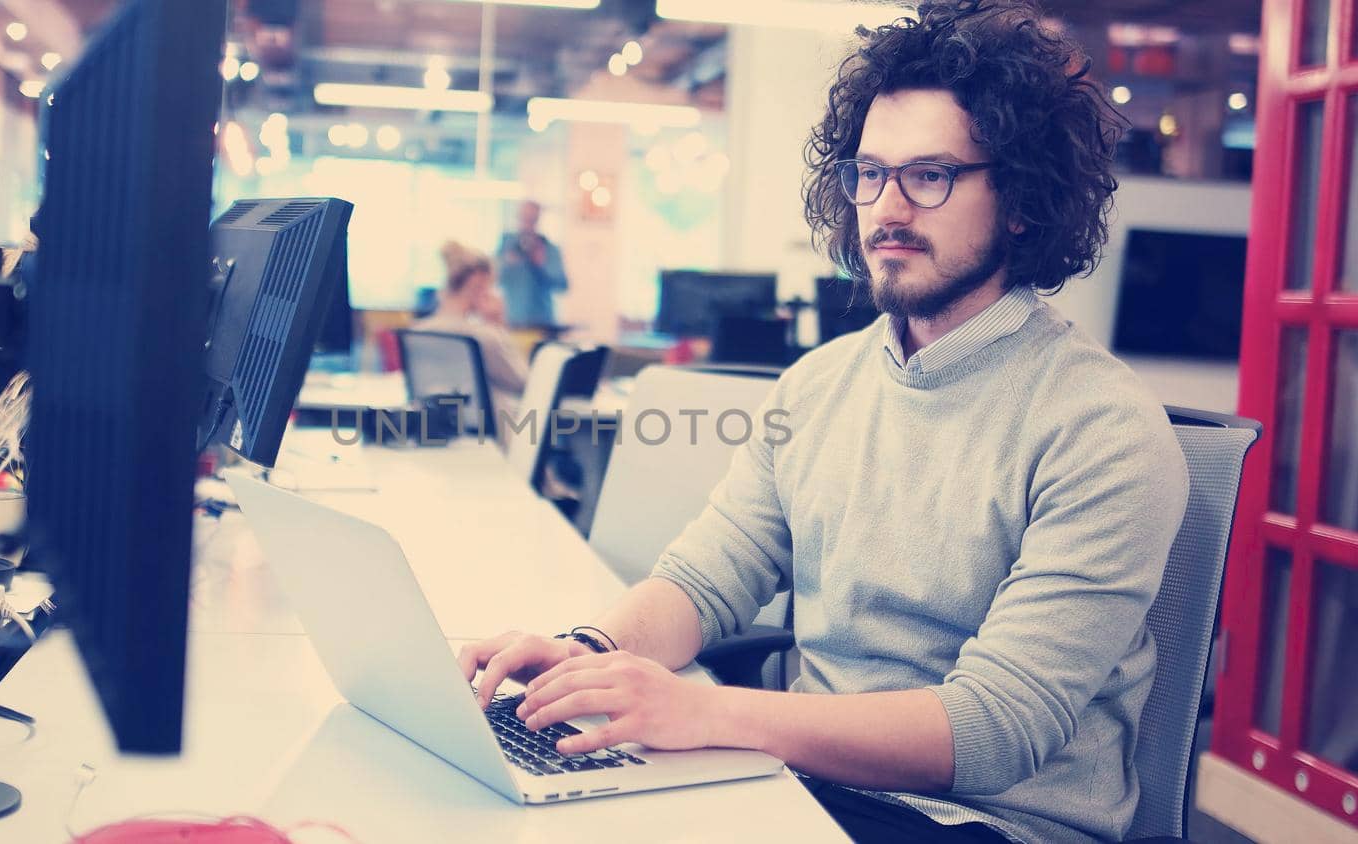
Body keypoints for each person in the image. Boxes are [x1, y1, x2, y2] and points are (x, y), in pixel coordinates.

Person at [457, 2, 1188, 842]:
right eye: (869, 174)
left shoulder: (1103, 428)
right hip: (804, 786)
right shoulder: (817, 386)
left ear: (1022, 198)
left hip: (984, 822)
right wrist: (589, 649)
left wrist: (704, 712)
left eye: (930, 176)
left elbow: (992, 731)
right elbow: (707, 577)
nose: (887, 209)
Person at [413, 240, 529, 415]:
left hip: (438, 431)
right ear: (479, 283)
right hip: (490, 435)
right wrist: (498, 324)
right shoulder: (484, 338)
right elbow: (524, 384)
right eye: (490, 286)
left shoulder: (417, 333)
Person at [496, 200, 567, 327]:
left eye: (531, 219)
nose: (527, 225)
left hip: (542, 322)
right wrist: (507, 262)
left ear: (537, 219)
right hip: (511, 320)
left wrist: (540, 265)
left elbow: (562, 285)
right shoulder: (506, 245)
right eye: (524, 218)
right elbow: (492, 278)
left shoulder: (548, 249)